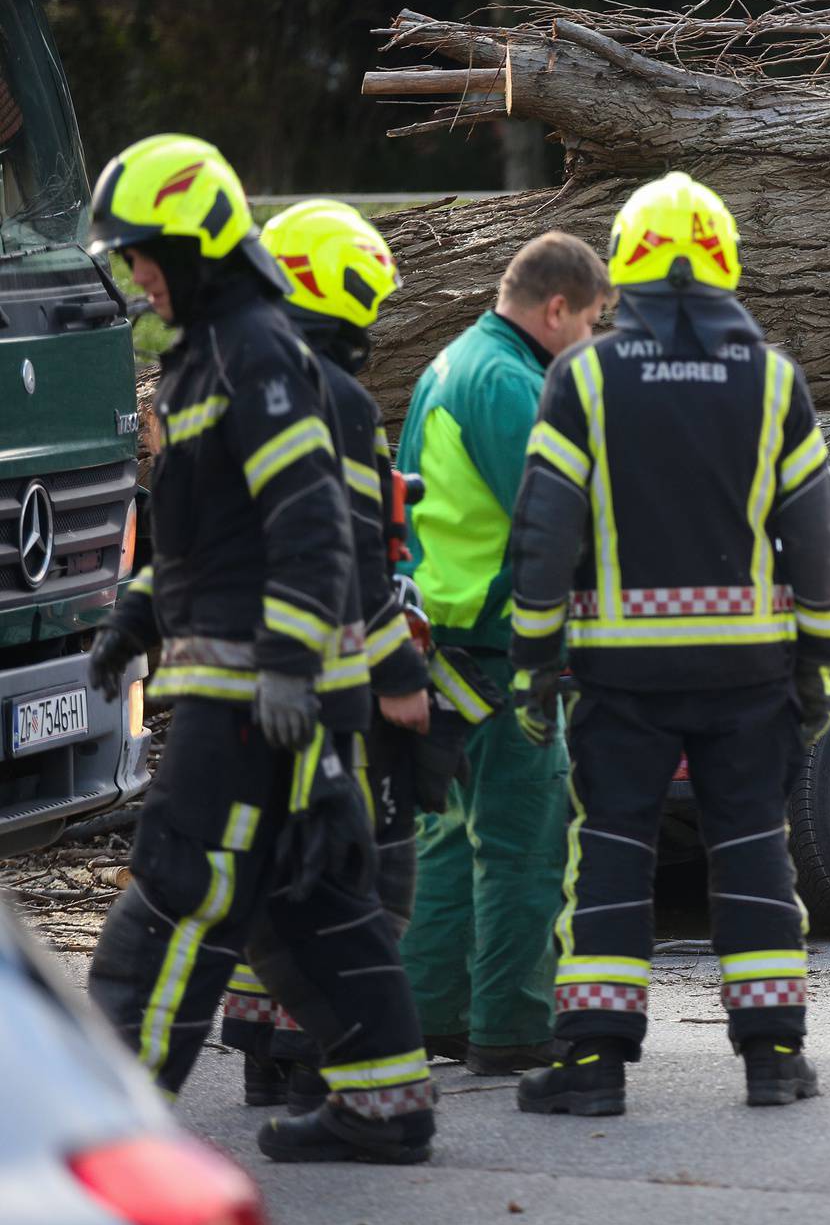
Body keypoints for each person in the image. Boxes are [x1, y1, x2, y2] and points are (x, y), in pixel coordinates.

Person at [82, 134, 434, 1162]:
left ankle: (108, 1125)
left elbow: (313, 523)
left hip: (255, 687)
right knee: (303, 896)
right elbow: (203, 531)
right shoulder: (202, 361)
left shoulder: (257, 350)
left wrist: (286, 667)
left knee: (178, 879)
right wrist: (133, 617)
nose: (138, 273)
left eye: (146, 252)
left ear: (199, 247)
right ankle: (385, 1105)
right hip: (241, 677)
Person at [508, 172, 830, 1116]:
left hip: (621, 676)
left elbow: (544, 535)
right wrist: (817, 661)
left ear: (625, 273)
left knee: (611, 852)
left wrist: (534, 663)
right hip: (750, 671)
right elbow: (814, 539)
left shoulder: (584, 378)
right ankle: (774, 1059)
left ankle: (594, 1067)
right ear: (727, 265)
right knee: (753, 850)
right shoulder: (776, 382)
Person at [215, 200, 433, 1113]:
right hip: (329, 677)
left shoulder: (232, 382)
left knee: (273, 862)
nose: (372, 331)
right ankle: (334, 1057)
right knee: (352, 868)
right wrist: (400, 669)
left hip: (237, 675)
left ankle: (267, 1044)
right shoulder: (334, 399)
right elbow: (350, 552)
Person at [396, 231, 610, 1075]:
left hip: (445, 645)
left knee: (447, 837)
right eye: (591, 322)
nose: (590, 342)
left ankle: (433, 1014)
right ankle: (516, 1027)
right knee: (524, 844)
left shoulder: (452, 364)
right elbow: (551, 516)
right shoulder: (510, 382)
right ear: (556, 309)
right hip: (499, 641)